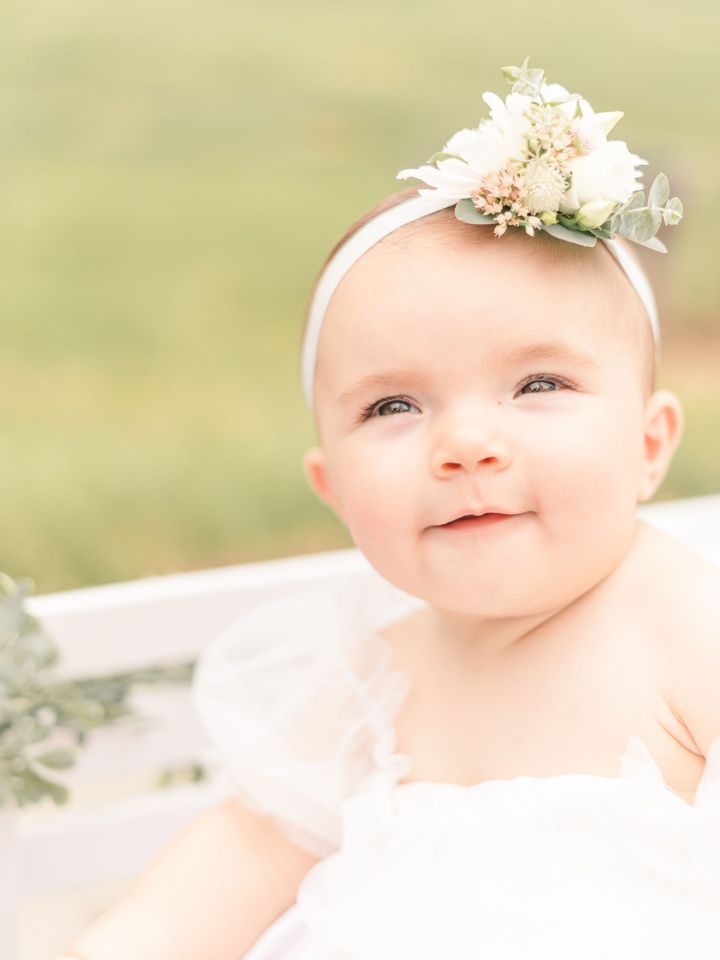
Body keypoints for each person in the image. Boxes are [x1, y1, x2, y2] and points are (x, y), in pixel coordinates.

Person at [57, 61, 720, 960]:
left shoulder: (685, 629)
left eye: (538, 383)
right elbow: (245, 852)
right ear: (332, 490)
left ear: (648, 445)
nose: (466, 443)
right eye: (394, 407)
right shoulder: (369, 681)